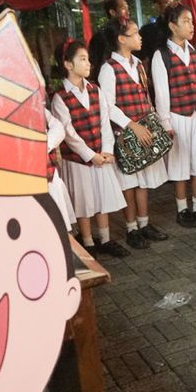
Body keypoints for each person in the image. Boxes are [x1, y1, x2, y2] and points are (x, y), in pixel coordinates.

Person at [51, 39, 129, 258]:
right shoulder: (60, 97)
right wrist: (90, 155)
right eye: (82, 60)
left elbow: (105, 122)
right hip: (77, 160)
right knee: (84, 200)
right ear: (68, 64)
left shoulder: (95, 90)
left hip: (100, 154)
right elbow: (68, 133)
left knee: (101, 197)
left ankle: (105, 238)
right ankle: (88, 242)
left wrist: (107, 150)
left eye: (88, 59)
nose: (88, 64)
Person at [98, 18, 169, 249]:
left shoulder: (138, 64)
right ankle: (131, 228)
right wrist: (132, 125)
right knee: (129, 182)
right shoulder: (109, 69)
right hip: (125, 134)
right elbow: (108, 106)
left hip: (144, 130)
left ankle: (144, 223)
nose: (140, 37)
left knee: (143, 181)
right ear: (121, 39)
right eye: (135, 33)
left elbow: (145, 97)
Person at [152, 3, 196, 228]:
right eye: (186, 21)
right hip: (177, 116)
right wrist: (165, 123)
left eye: (192, 21)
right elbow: (161, 93)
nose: (191, 25)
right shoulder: (161, 55)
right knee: (180, 164)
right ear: (172, 26)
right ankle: (183, 209)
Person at [45, 109, 76, 233]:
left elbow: (58, 127)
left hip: (49, 177)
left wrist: (43, 145)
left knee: (61, 228)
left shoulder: (35, 106)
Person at [88, 0, 129, 81]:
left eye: (127, 7)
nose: (128, 11)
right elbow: (96, 62)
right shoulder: (102, 35)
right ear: (112, 12)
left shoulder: (128, 31)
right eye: (123, 8)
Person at [135, 0, 175, 67]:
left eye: (172, 2)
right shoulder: (147, 31)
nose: (170, 6)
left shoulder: (180, 27)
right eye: (167, 3)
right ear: (157, 6)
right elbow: (141, 56)